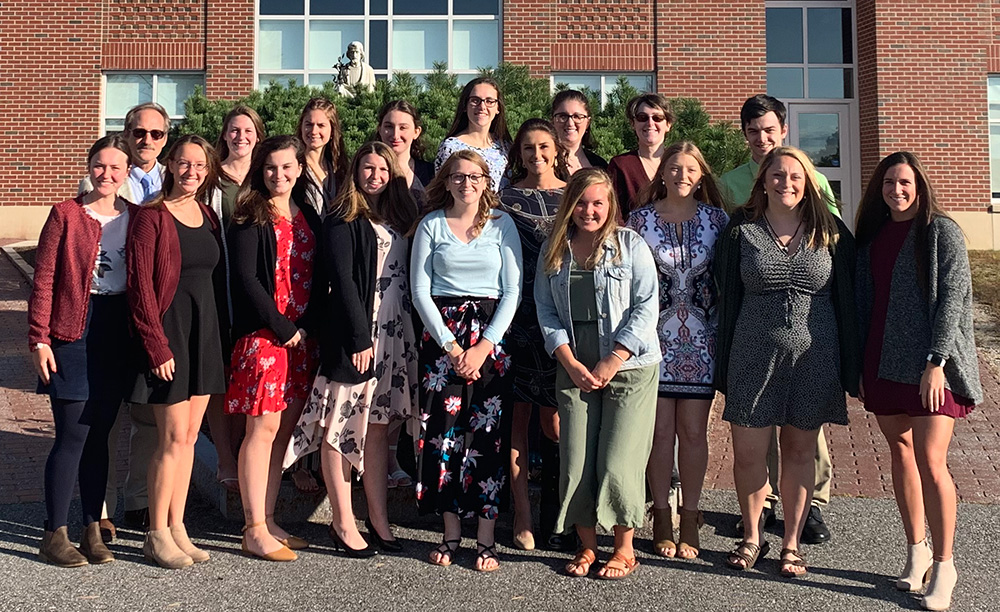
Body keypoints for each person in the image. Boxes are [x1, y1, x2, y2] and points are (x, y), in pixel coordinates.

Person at [714, 146, 859, 577]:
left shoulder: (829, 231)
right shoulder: (741, 231)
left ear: (809, 181)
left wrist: (854, 363)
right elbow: (724, 293)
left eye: (795, 176)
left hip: (815, 356)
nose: (786, 183)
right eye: (777, 176)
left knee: (799, 453)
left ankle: (791, 544)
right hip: (752, 354)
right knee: (749, 454)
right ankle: (752, 537)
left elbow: (850, 296)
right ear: (762, 181)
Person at [854, 152, 981, 611]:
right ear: (879, 189)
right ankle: (917, 551)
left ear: (919, 186)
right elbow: (864, 302)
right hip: (883, 359)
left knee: (931, 460)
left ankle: (945, 565)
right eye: (889, 182)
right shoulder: (871, 236)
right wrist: (860, 369)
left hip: (932, 365)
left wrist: (937, 361)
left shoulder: (941, 231)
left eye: (905, 182)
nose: (897, 190)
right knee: (901, 452)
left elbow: (953, 298)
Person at [286, 142, 419, 557]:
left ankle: (379, 521)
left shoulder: (399, 217)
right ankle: (343, 523)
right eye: (367, 167)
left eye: (383, 169)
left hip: (395, 333)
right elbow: (342, 282)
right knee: (339, 428)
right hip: (355, 335)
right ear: (355, 171)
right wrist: (360, 338)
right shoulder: (343, 218)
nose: (375, 175)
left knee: (376, 430)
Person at [719, 94, 838, 544]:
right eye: (753, 131)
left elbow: (833, 248)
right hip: (756, 334)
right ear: (745, 134)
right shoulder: (731, 184)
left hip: (810, 342)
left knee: (805, 434)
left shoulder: (814, 181)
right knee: (755, 429)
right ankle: (763, 506)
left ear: (782, 130)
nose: (762, 137)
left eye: (769, 129)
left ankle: (811, 508)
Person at [535, 168, 660, 580]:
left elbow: (646, 306)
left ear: (610, 207)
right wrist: (569, 361)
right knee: (576, 459)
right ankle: (587, 546)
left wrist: (613, 359)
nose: (589, 211)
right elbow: (546, 310)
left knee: (618, 460)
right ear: (570, 205)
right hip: (575, 364)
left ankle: (624, 549)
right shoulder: (555, 249)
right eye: (582, 203)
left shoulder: (630, 245)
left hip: (629, 366)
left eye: (598, 203)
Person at [410, 149, 522, 571]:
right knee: (444, 436)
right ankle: (451, 533)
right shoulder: (432, 225)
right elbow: (420, 291)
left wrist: (484, 345)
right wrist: (453, 347)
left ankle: (486, 539)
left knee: (488, 440)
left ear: (486, 180)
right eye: (458, 176)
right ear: (447, 180)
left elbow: (512, 290)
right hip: (443, 341)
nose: (467, 183)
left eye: (475, 176)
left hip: (491, 342)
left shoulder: (501, 225)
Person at [30, 134, 138, 567]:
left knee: (100, 435)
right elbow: (43, 279)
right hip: (72, 329)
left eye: (115, 168)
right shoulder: (65, 214)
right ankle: (54, 532)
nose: (106, 174)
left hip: (117, 332)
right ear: (89, 167)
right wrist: (39, 337)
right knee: (73, 433)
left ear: (127, 173)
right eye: (100, 165)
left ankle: (93, 527)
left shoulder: (137, 217)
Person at [127, 134, 228, 569]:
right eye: (184, 164)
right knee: (169, 440)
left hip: (203, 336)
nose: (192, 172)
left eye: (200, 166)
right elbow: (140, 289)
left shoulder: (207, 214)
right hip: (169, 338)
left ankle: (178, 525)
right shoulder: (151, 218)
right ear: (170, 165)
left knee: (189, 438)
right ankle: (155, 533)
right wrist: (155, 345)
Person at [626, 141, 729, 560]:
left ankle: (691, 515)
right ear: (662, 173)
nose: (681, 175)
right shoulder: (639, 221)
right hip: (653, 340)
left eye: (690, 169)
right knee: (659, 434)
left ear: (701, 175)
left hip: (701, 342)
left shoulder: (718, 220)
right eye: (674, 168)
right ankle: (662, 515)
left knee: (692, 433)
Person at [225, 135, 324, 562]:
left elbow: (319, 277)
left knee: (282, 434)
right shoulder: (251, 216)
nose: (278, 175)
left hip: (302, 340)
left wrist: (307, 326)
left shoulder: (309, 216)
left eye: (286, 167)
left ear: (300, 168)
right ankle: (252, 528)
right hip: (265, 337)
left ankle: (268, 519)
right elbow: (247, 280)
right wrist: (282, 327)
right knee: (260, 431)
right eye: (270, 168)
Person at [79, 102, 172, 537]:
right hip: (113, 309)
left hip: (157, 312)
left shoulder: (175, 178)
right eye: (139, 132)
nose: (147, 141)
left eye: (156, 134)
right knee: (105, 414)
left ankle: (138, 501)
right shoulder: (104, 178)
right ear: (127, 133)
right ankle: (100, 505)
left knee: (149, 414)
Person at [498, 119, 569, 552]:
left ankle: (557, 517)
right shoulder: (503, 198)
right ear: (518, 153)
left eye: (544, 146)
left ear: (557, 150)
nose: (536, 154)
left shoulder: (572, 194)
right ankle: (522, 516)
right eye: (528, 148)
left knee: (556, 421)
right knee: (517, 419)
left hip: (560, 318)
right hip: (513, 317)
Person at [209, 104, 266, 494]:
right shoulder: (213, 180)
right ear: (225, 135)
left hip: (260, 292)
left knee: (252, 377)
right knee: (220, 376)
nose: (240, 136)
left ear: (258, 136)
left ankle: (251, 453)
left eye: (248, 130)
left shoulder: (266, 177)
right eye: (234, 130)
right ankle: (226, 459)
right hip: (220, 287)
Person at [435, 77, 512, 192]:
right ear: (465, 106)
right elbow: (441, 190)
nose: (482, 107)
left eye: (489, 101)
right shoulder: (451, 147)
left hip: (502, 210)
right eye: (475, 100)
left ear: (498, 108)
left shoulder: (506, 146)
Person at [606, 93, 674, 219]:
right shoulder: (621, 165)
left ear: (668, 124)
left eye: (657, 118)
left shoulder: (679, 163)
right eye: (642, 117)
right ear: (633, 123)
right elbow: (614, 215)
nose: (650, 123)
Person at [299, 97, 350, 217]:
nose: (314, 131)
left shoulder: (340, 168)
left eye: (321, 125)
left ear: (332, 131)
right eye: (309, 124)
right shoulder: (294, 167)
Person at [377, 99, 435, 192]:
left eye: (403, 128)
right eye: (389, 127)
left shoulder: (431, 174)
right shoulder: (368, 173)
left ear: (416, 132)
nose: (395, 135)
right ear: (380, 130)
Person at [551, 89, 608, 175]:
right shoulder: (545, 162)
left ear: (587, 122)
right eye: (563, 116)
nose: (570, 123)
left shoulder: (600, 165)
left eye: (577, 116)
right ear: (553, 120)